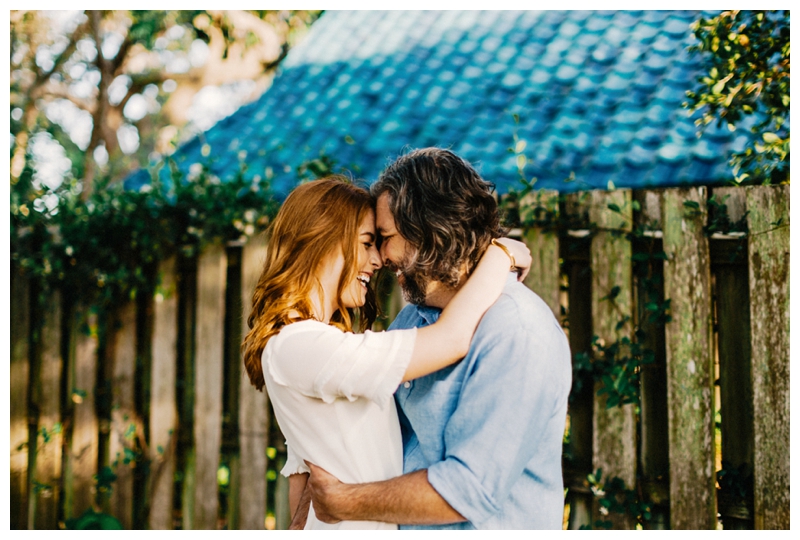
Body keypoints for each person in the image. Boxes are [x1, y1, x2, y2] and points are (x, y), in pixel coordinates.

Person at [240, 175, 531, 530]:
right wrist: (500, 255)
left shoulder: (312, 344)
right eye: (366, 243)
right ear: (322, 242)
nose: (377, 260)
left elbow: (302, 479)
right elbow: (451, 339)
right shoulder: (299, 346)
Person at [303, 148, 572, 529]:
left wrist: (343, 501)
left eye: (385, 238)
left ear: (430, 229)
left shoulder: (517, 332)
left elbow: (468, 490)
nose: (380, 256)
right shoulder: (413, 318)